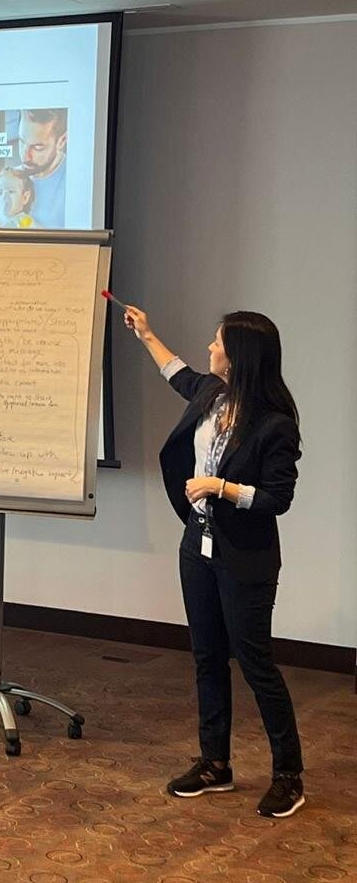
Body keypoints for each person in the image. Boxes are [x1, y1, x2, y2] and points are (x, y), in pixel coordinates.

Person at [124, 305, 304, 817]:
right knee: (206, 656)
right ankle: (215, 764)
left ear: (238, 356)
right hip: (197, 547)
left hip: (245, 557)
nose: (209, 347)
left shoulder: (274, 424)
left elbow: (277, 499)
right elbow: (177, 372)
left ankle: (288, 775)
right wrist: (147, 334)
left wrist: (220, 487)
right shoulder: (211, 393)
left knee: (255, 662)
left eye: (217, 342)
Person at [17, 108, 67, 227]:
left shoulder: (76, 181)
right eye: (22, 141)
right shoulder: (13, 175)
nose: (25, 157)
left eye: (37, 147)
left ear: (62, 141)